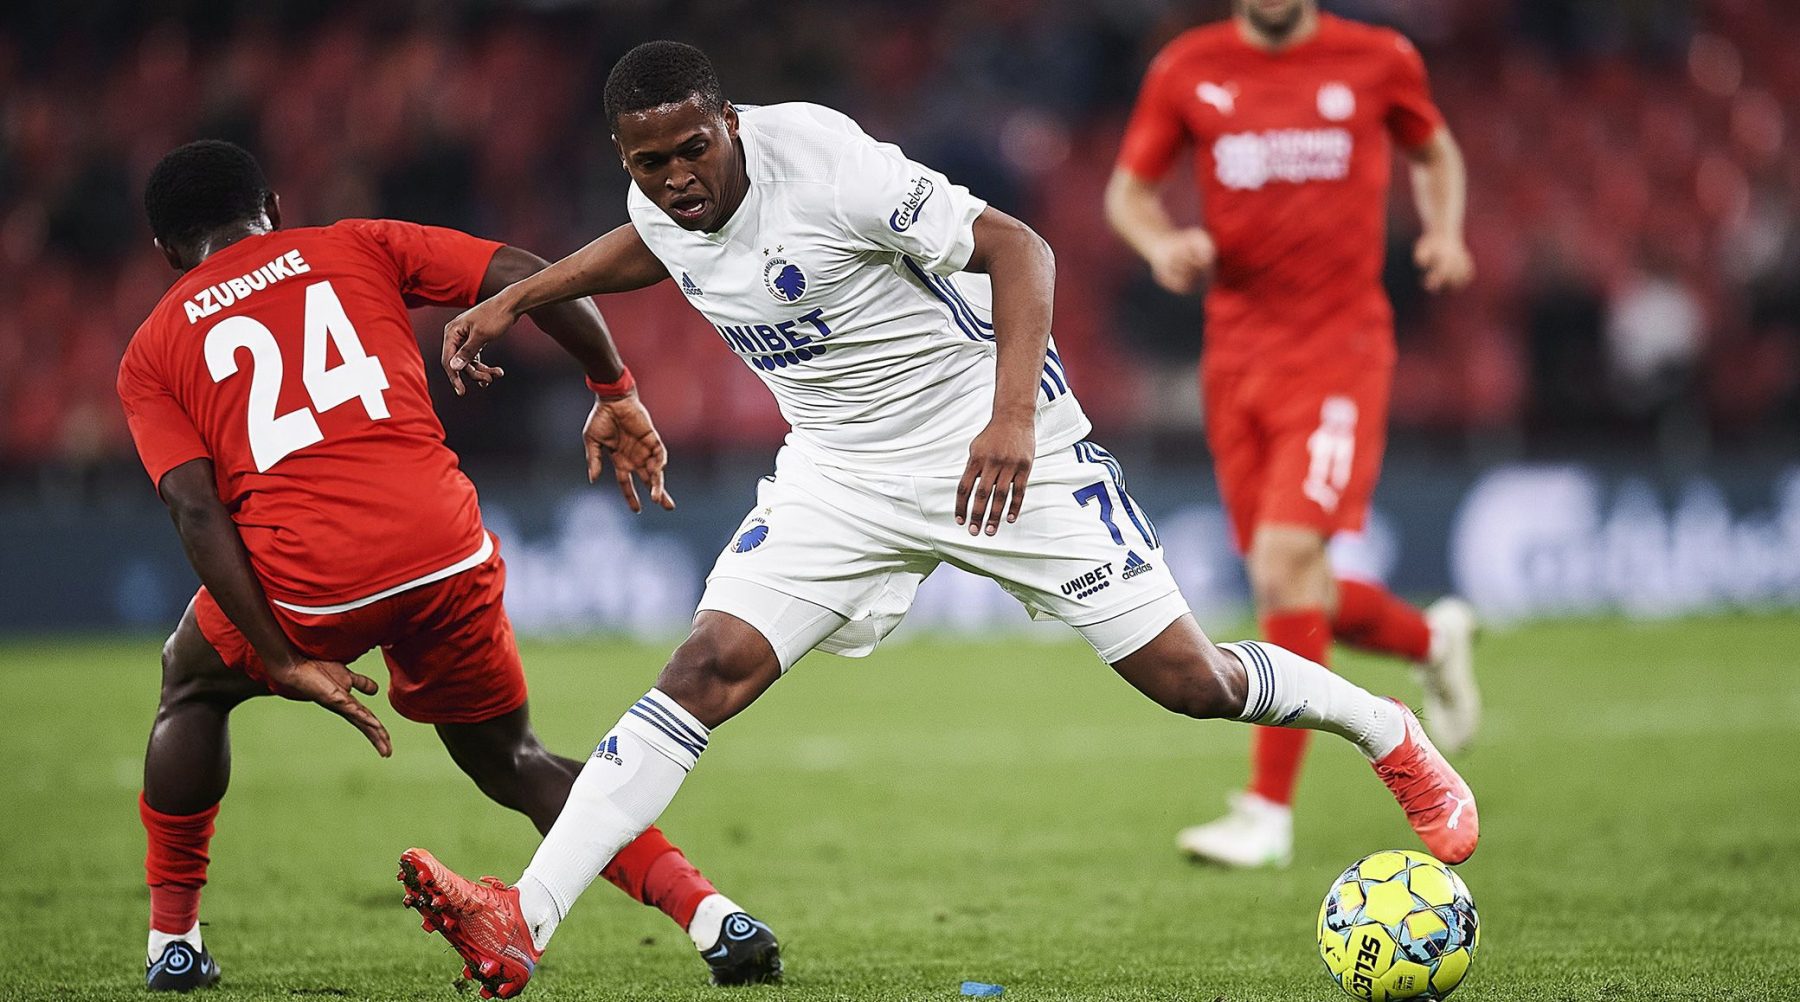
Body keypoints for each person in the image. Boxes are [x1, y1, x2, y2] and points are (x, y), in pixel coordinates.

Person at [396, 41, 1478, 1000]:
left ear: (729, 124)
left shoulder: (825, 162)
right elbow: (663, 247)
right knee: (704, 670)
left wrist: (1012, 422)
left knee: (1191, 684)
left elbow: (1021, 250)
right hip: (840, 475)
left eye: (693, 151)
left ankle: (1388, 731)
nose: (678, 179)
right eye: (651, 163)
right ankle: (523, 920)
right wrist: (522, 298)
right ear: (626, 157)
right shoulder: (656, 203)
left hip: (995, 442)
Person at [118, 140, 780, 992]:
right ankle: (711, 915)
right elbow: (530, 272)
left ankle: (173, 942)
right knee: (514, 758)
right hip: (444, 548)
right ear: (274, 207)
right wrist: (613, 389)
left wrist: (280, 657)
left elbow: (195, 506)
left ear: (168, 253)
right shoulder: (357, 243)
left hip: (308, 578)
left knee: (191, 679)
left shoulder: (154, 344)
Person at [1103, 0, 1482, 869]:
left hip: (1340, 351)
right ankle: (1431, 640)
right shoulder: (1187, 68)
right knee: (1294, 584)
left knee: (1281, 565)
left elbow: (1433, 148)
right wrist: (1161, 245)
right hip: (1236, 358)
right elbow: (1126, 192)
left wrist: (1445, 231)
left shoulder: (1380, 57)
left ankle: (1266, 812)